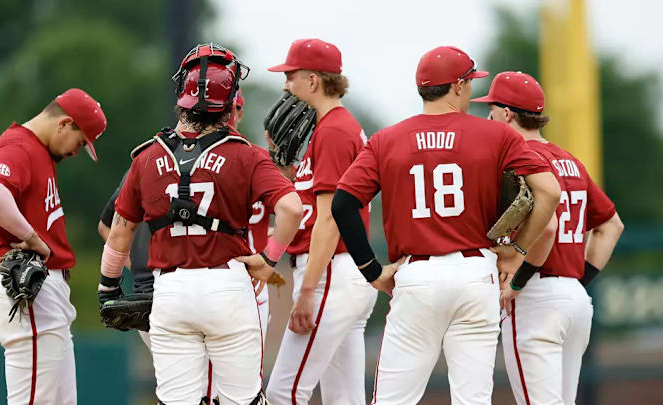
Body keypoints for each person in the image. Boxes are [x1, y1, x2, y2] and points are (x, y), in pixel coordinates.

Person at [331, 46, 562, 405]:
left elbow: (343, 204)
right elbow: (549, 191)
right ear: (457, 86)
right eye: (469, 82)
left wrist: (372, 271)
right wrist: (517, 252)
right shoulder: (497, 136)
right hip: (476, 275)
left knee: (392, 400)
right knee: (473, 399)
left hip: (417, 276)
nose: (470, 89)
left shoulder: (386, 139)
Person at [97, 43, 303, 405]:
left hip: (171, 291)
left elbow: (118, 231)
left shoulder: (146, 156)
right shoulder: (247, 154)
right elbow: (291, 208)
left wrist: (108, 287)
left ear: (182, 94)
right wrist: (269, 259)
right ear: (229, 105)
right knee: (243, 400)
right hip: (227, 286)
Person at [472, 71, 624, 405]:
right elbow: (612, 226)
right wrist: (579, 282)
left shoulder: (516, 158)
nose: (489, 115)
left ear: (507, 113)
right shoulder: (570, 161)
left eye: (493, 109)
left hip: (533, 293)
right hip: (574, 299)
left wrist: (516, 284)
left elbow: (549, 224)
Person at [265, 38, 377, 405]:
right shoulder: (336, 128)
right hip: (342, 274)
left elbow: (329, 219)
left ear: (313, 81)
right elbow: (313, 204)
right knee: (343, 399)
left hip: (331, 272)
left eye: (291, 76)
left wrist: (308, 290)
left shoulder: (332, 132)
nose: (286, 85)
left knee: (284, 392)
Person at [0, 88, 107, 404]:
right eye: (79, 142)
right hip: (29, 290)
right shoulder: (19, 146)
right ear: (64, 123)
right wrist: (32, 237)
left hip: (43, 295)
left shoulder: (36, 151)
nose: (76, 152)